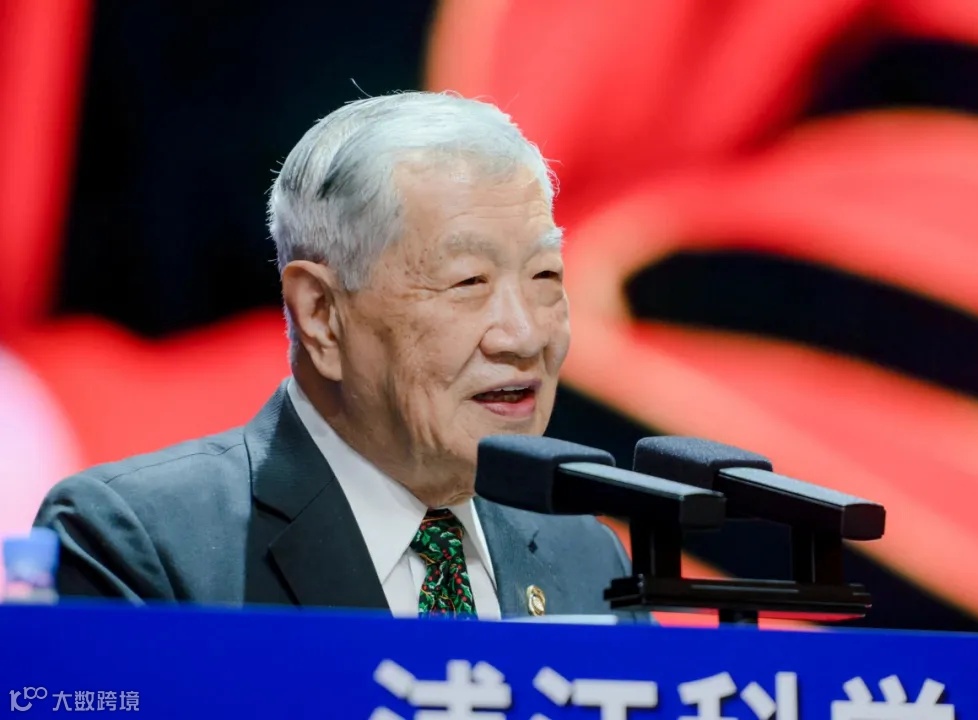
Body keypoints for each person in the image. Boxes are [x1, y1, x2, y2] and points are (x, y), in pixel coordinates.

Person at [33, 91, 641, 621]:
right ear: (321, 313)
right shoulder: (139, 541)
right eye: (468, 282)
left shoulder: (587, 556)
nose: (524, 335)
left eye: (545, 276)